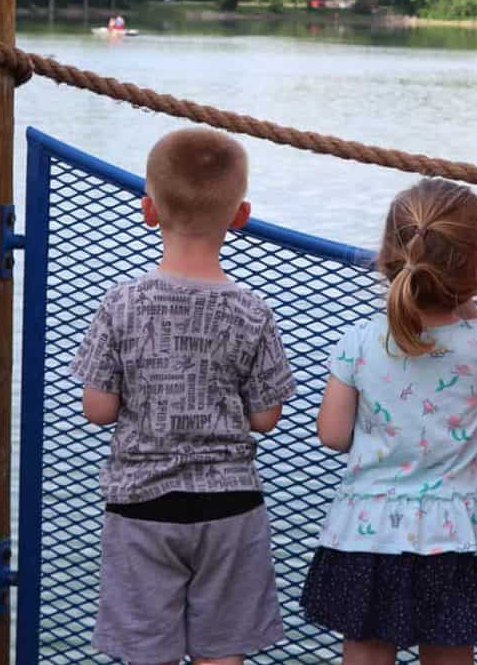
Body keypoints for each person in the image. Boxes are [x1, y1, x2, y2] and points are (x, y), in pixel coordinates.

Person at [71, 127, 296, 665]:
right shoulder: (253, 311)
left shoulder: (120, 304)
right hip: (231, 508)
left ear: (149, 209)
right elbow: (266, 417)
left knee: (148, 652)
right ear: (239, 215)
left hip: (143, 507)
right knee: (223, 652)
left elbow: (98, 409)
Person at [300, 178, 477, 665]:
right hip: (453, 536)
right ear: (476, 267)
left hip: (367, 534)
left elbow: (332, 435)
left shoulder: (359, 340)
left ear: (388, 255)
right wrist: (463, 303)